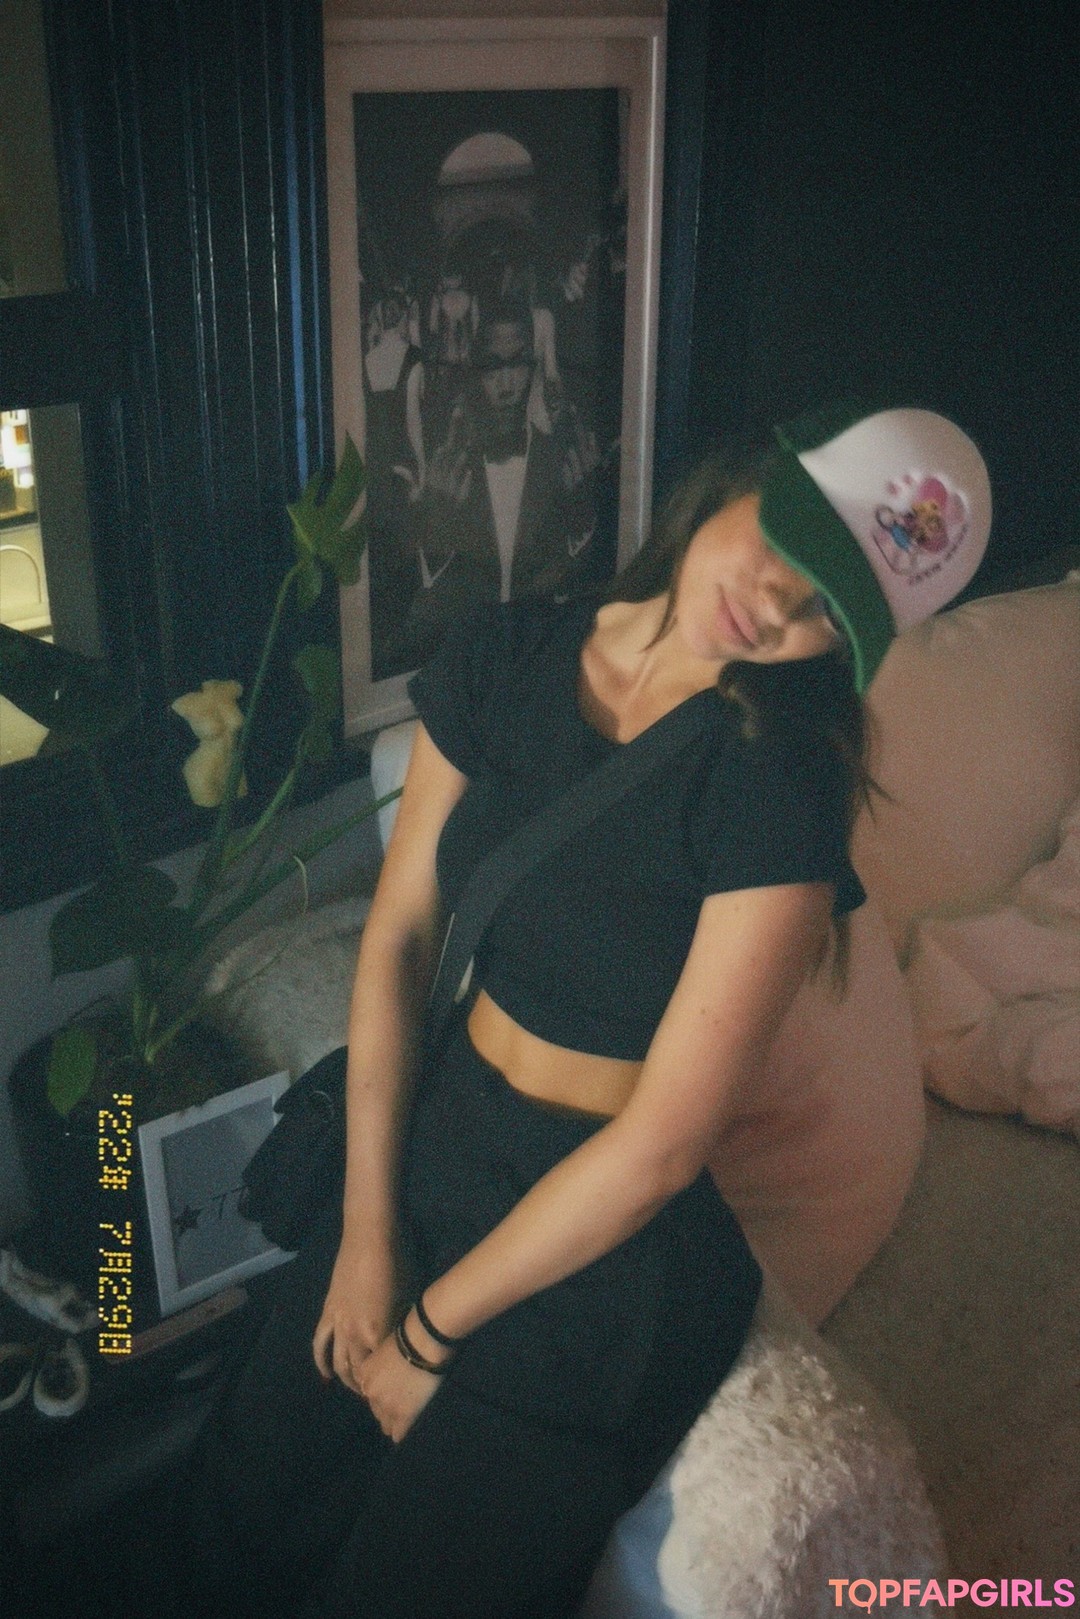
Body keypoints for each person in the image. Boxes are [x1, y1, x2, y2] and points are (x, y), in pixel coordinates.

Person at [187, 404, 990, 1619]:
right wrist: (365, 1233)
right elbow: (399, 939)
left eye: (829, 611)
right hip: (444, 1133)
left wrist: (428, 1333)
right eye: (793, 546)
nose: (780, 607)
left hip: (599, 1249)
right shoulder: (505, 652)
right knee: (240, 1502)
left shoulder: (779, 782)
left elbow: (663, 1144)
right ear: (742, 478)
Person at [398, 300, 600, 668]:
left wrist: (582, 520)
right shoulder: (451, 468)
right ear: (473, 373)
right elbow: (420, 622)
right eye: (492, 367)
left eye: (518, 364)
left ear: (533, 368)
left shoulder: (559, 461)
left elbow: (585, 591)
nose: (506, 386)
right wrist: (437, 527)